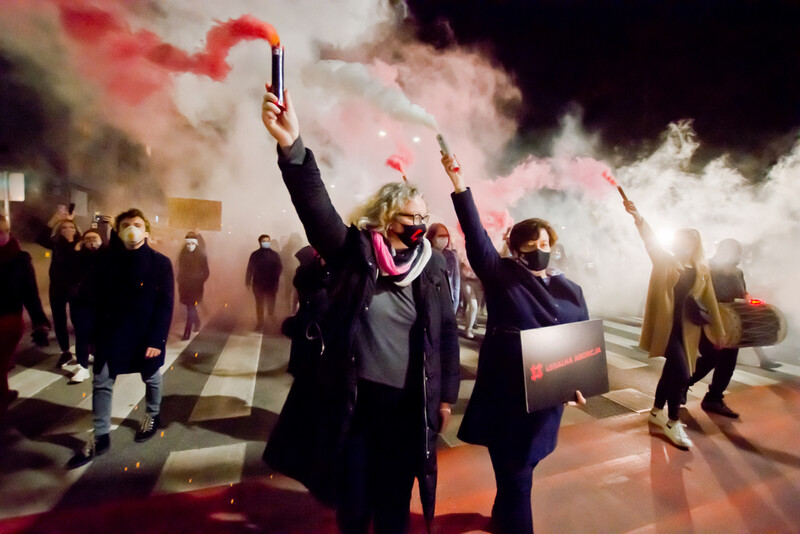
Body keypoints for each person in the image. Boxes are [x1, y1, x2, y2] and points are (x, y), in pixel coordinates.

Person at [261, 88, 460, 533]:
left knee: (394, 504)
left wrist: (446, 395)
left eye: (424, 218)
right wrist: (293, 149)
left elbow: (445, 335)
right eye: (412, 217)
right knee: (354, 503)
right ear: (387, 218)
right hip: (355, 402)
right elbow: (316, 211)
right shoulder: (355, 252)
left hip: (408, 407)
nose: (420, 227)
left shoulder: (431, 268)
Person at [440, 154, 588, 534]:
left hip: (546, 404)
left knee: (520, 477)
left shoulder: (568, 288)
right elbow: (475, 236)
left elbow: (579, 343)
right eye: (534, 241)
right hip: (508, 401)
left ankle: (503, 518)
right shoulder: (502, 275)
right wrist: (459, 183)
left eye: (547, 242)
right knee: (517, 478)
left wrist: (578, 385)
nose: (542, 247)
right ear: (518, 247)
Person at [67, 209, 174, 468]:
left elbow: (165, 304)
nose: (132, 229)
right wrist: (89, 335)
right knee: (102, 382)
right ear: (117, 231)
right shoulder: (105, 261)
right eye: (125, 225)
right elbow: (87, 298)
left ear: (147, 231)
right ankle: (101, 435)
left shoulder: (160, 263)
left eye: (137, 224)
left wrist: (156, 340)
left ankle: (152, 414)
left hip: (144, 333)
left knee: (151, 375)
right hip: (110, 333)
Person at [624, 200, 724, 449]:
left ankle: (657, 410)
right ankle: (672, 422)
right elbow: (650, 239)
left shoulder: (702, 268)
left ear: (696, 245)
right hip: (666, 327)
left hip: (688, 329)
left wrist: (720, 331)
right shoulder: (665, 260)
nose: (686, 245)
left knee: (672, 371)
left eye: (691, 242)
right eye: (682, 241)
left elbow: (710, 299)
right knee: (681, 373)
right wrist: (638, 216)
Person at [686, 238, 770, 417]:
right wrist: (710, 320)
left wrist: (750, 301)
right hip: (711, 319)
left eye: (739, 252)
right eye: (735, 251)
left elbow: (741, 294)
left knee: (728, 363)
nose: (738, 255)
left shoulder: (738, 272)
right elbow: (697, 295)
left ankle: (713, 399)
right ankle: (682, 385)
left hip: (733, 323)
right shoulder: (706, 268)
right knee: (711, 358)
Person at [0, 215, 50, 419]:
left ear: (7, 232)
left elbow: (30, 293)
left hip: (8, 320)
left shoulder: (20, 259)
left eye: (0, 232)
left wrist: (40, 323)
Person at [37, 207, 81, 367]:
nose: (68, 229)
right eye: (64, 228)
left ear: (76, 230)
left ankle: (85, 349)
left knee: (78, 320)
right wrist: (54, 219)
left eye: (71, 227)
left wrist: (72, 241)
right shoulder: (56, 245)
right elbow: (40, 238)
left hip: (76, 289)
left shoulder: (81, 244)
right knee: (60, 321)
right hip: (57, 289)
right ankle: (65, 352)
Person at [67, 228, 107, 383]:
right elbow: (67, 270)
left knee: (100, 334)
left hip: (102, 303)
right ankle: (82, 367)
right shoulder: (77, 256)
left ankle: (100, 361)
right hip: (81, 302)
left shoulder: (107, 255)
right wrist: (75, 250)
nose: (91, 240)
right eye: (88, 237)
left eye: (94, 237)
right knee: (82, 335)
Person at [284, 245, 331, 378]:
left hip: (316, 318)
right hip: (310, 318)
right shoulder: (305, 272)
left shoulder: (323, 272)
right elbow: (300, 285)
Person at [177, 231, 210, 340]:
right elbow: (179, 268)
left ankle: (187, 331)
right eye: (188, 243)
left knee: (191, 307)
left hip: (196, 286)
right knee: (189, 306)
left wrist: (200, 280)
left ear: (196, 243)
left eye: (192, 243)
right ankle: (197, 322)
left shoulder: (201, 255)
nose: (189, 246)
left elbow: (206, 272)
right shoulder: (182, 254)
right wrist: (179, 279)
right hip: (184, 285)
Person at [245, 234, 283, 331]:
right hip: (258, 283)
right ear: (260, 242)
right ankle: (260, 322)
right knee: (259, 304)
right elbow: (250, 268)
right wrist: (247, 281)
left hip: (271, 284)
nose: (266, 243)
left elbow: (279, 268)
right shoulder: (255, 255)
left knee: (271, 304)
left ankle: (272, 319)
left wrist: (276, 279)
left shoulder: (275, 255)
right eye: (264, 241)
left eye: (267, 241)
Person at [426, 223, 461, 314]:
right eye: (440, 236)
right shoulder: (425, 255)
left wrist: (454, 305)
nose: (444, 239)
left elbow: (455, 282)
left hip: (446, 301)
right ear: (432, 237)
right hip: (428, 301)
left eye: (446, 236)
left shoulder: (451, 256)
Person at [461, 259, 483, 339]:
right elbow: (460, 267)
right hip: (466, 281)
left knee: (477, 307)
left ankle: (470, 324)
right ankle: (468, 329)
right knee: (473, 305)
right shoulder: (463, 252)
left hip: (479, 283)